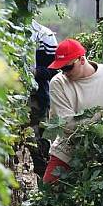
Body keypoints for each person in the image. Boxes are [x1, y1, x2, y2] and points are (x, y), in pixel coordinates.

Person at [44, 38, 103, 184]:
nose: (64, 73)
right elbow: (66, 125)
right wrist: (102, 114)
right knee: (48, 191)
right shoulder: (58, 83)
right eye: (61, 69)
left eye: (68, 68)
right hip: (69, 150)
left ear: (82, 60)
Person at [29, 21, 59, 177]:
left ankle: (43, 180)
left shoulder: (43, 35)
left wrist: (36, 72)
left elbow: (54, 69)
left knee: (39, 143)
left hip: (37, 99)